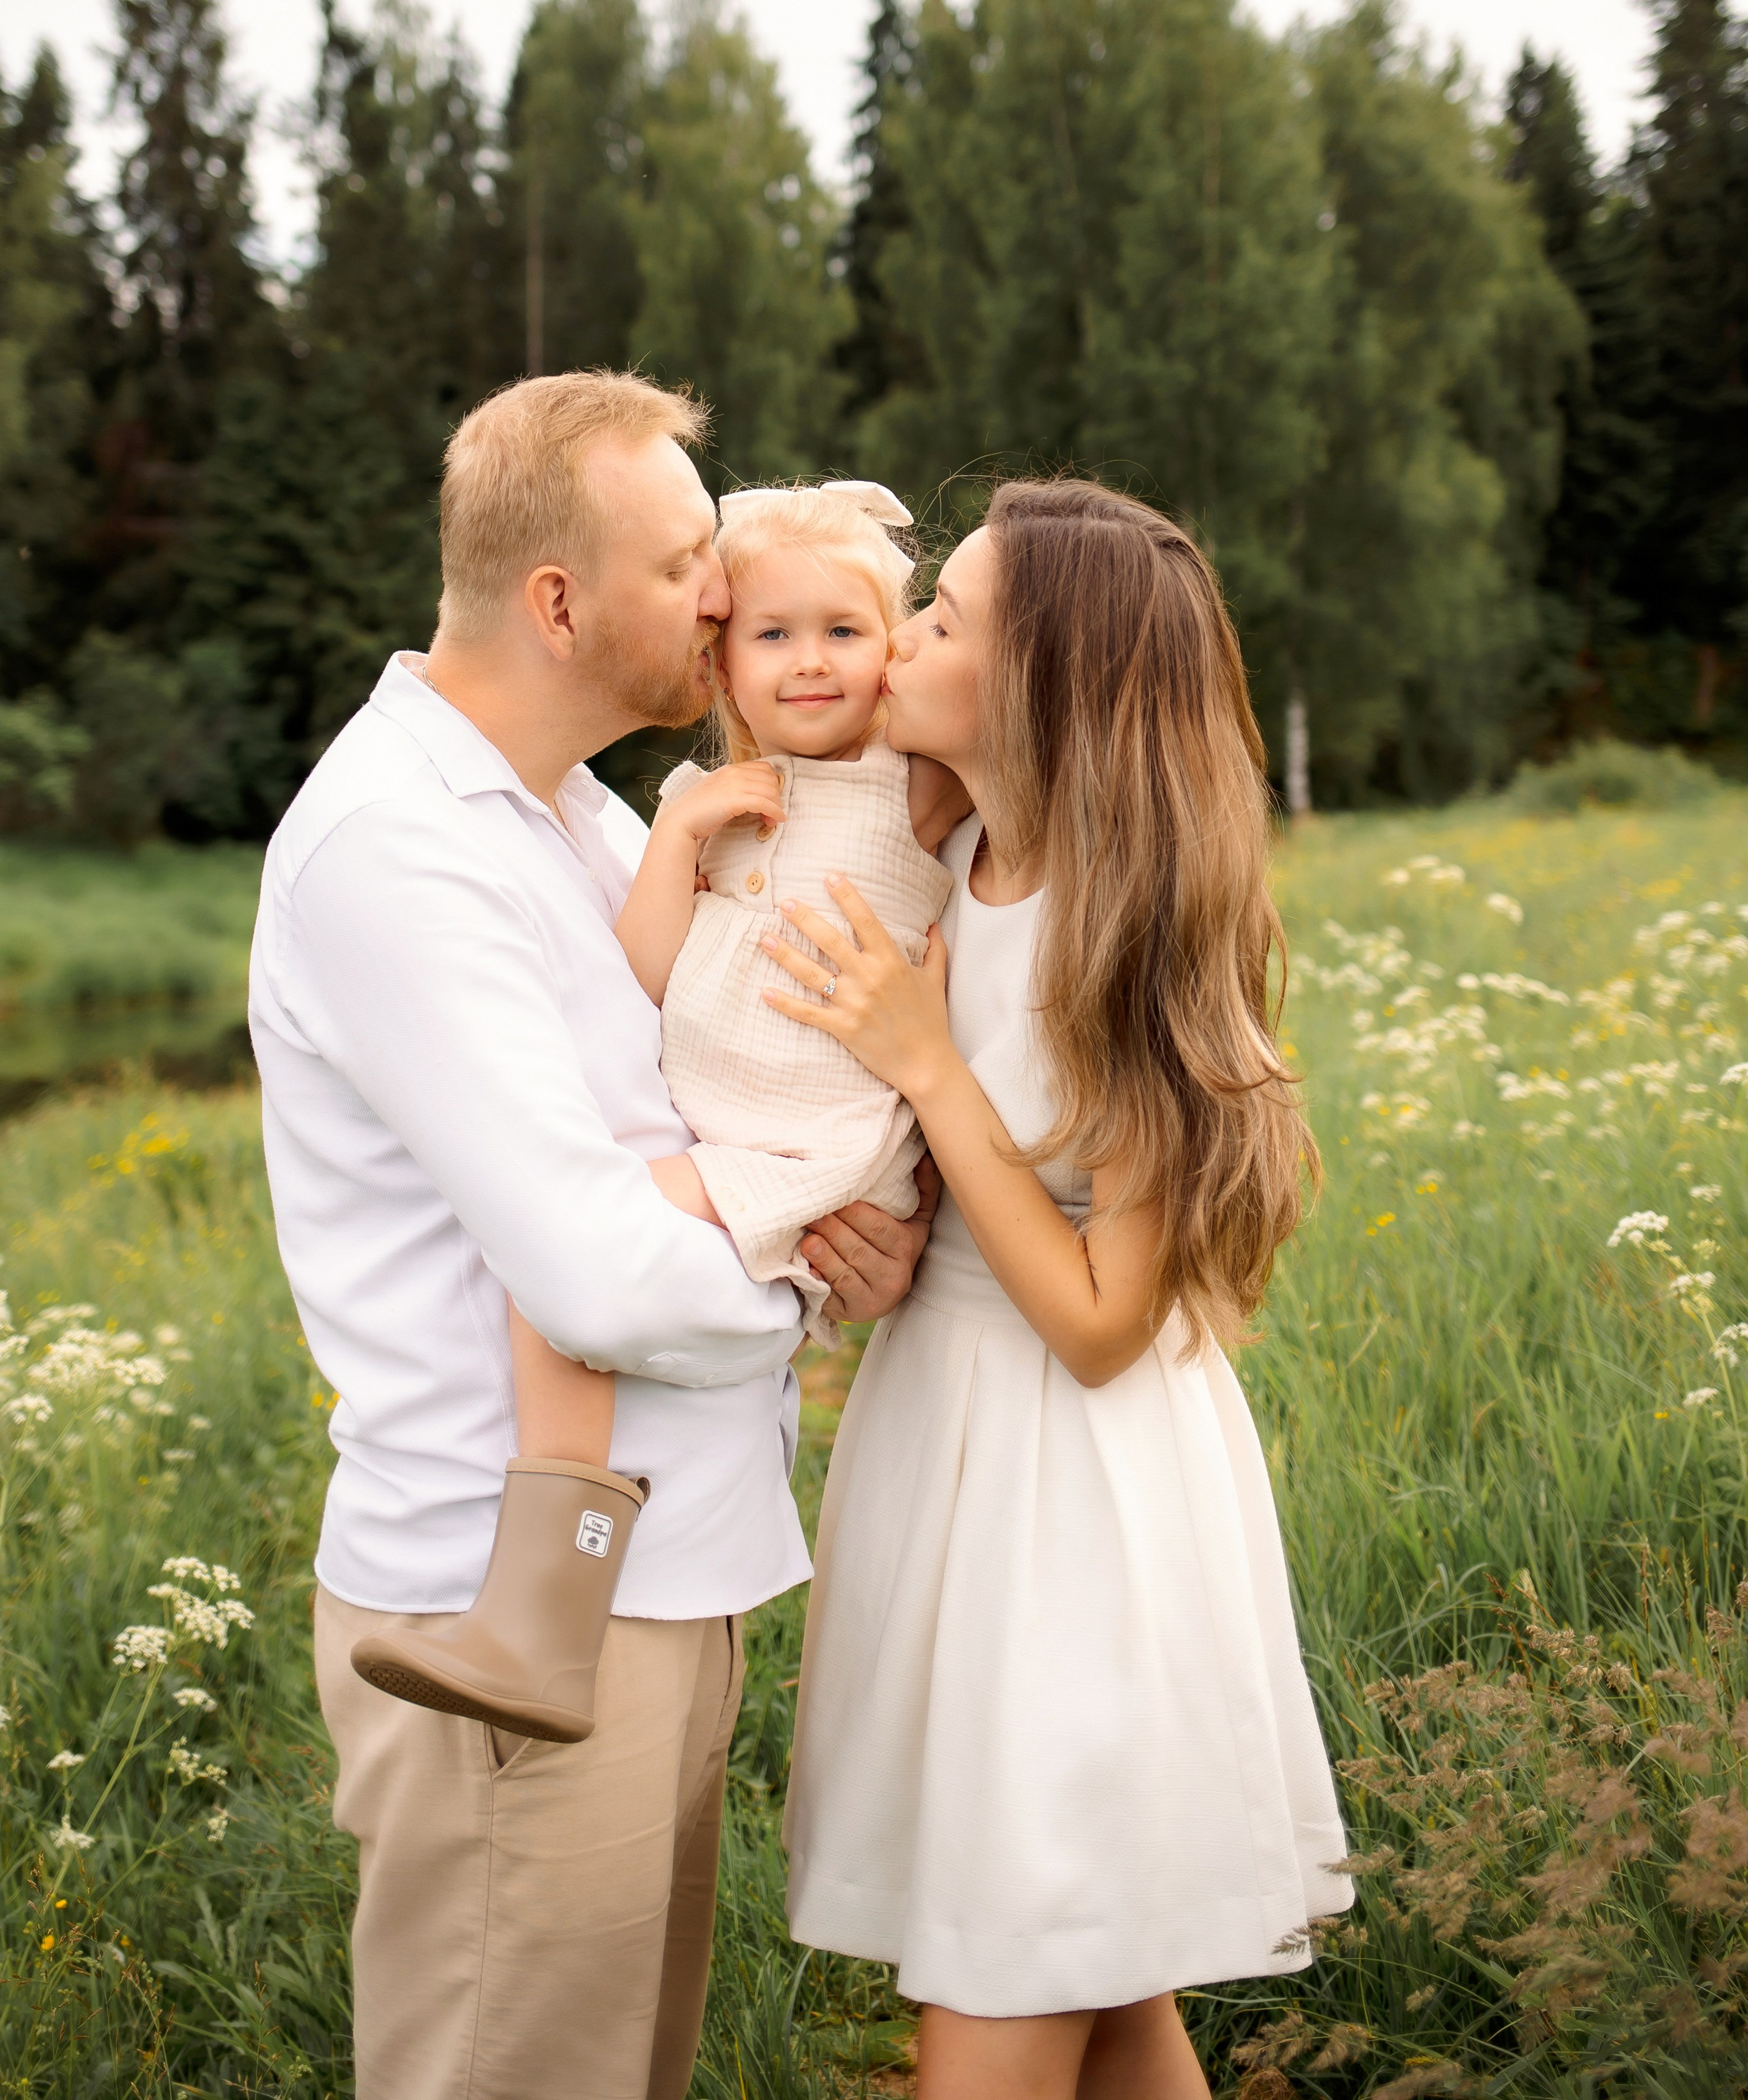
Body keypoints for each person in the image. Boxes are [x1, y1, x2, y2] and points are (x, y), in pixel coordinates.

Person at [248, 373, 932, 2100]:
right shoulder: (397, 853)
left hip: (668, 1572)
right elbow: (599, 1274)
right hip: (521, 1610)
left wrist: (851, 1237)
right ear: (558, 602)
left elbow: (714, 1124)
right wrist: (793, 1267)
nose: (724, 594)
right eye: (689, 557)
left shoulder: (585, 818)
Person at [773, 479, 1353, 2100]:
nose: (900, 635)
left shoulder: (1138, 925)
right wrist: (880, 1236)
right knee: (1101, 2001)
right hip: (947, 1446)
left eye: (944, 616)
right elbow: (766, 662)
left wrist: (923, 1072)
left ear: (1044, 689)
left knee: (1010, 1979)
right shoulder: (948, 850)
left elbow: (1102, 1321)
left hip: (1074, 1501)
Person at [356, 475, 961, 1742]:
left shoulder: (918, 786)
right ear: (727, 664)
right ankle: (543, 1604)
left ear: (895, 649)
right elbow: (646, 980)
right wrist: (685, 828)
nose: (809, 665)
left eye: (846, 634)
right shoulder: (708, 803)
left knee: (553, 1277)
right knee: (562, 1275)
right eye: (772, 636)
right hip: (735, 1128)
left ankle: (535, 1615)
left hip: (807, 1138)